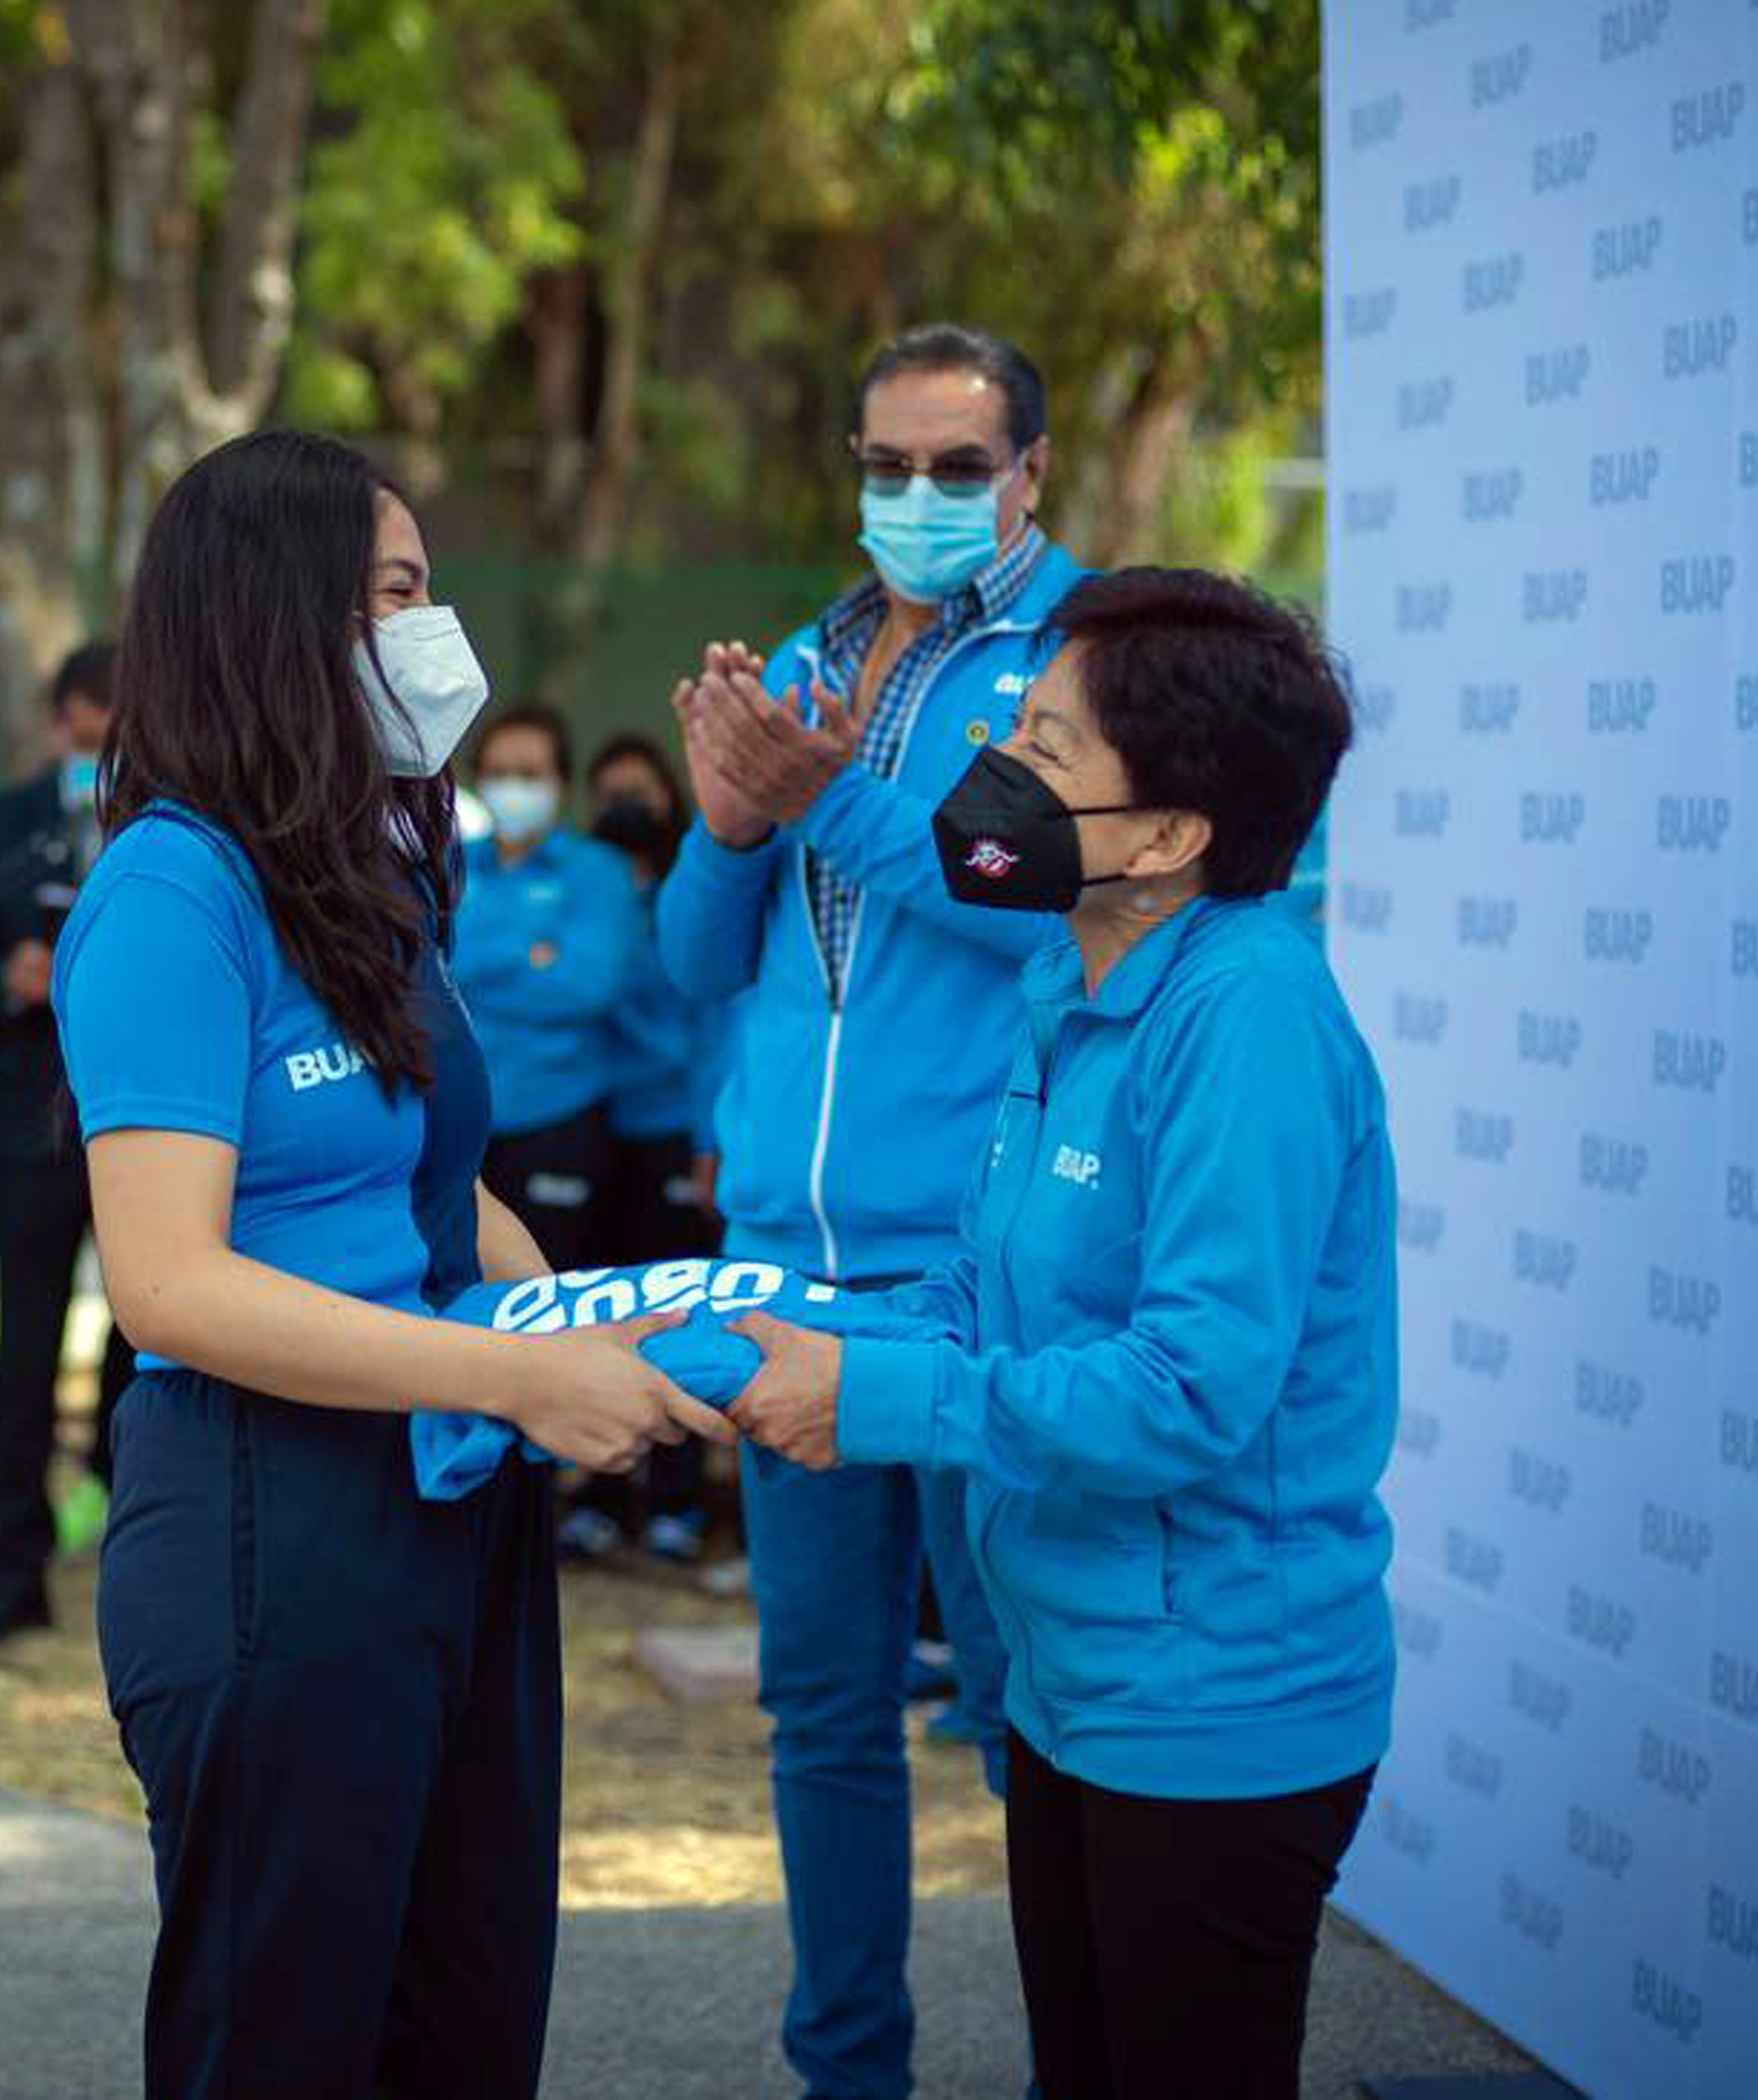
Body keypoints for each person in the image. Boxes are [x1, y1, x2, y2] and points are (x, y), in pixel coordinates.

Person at [55, 429, 730, 2092]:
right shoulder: (168, 889)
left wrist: (586, 1311)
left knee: (466, 2019)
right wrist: (513, 1366)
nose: (433, 632)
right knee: (282, 2041)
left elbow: (446, 1189)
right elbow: (168, 1285)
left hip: (455, 1505)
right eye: (397, 593)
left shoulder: (375, 871)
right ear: (277, 618)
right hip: (268, 1525)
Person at [726, 567, 1392, 2100]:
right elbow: (984, 1285)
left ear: (1168, 839)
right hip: (1069, 1679)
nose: (994, 776)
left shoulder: (1250, 1018)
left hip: (1217, 1699)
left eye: (1043, 748)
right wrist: (775, 1339)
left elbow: (1187, 1390)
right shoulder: (1066, 973)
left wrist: (881, 1402)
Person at [655, 321, 1074, 2098]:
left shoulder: (1082, 657)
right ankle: (847, 2070)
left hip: (974, 1281)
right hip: (781, 1274)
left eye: (953, 469)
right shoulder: (815, 652)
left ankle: (1109, 2056)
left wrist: (829, 794)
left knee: (1026, 1722)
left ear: (1029, 477)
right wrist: (727, 826)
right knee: (821, 1719)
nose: (912, 498)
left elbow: (1021, 892)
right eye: (884, 465)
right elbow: (693, 963)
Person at [0, 639, 138, 1646]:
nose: (100, 743)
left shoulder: (171, 827)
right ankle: (10, 1573)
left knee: (147, 1333)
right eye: (89, 720)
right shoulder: (5, 826)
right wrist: (4, 983)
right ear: (60, 720)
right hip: (30, 1120)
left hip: (147, 1129)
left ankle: (125, 1524)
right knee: (24, 1348)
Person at [572, 732, 722, 1563]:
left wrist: (709, 1134)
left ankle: (677, 1496)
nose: (625, 806)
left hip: (672, 1125)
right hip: (598, 1124)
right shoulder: (589, 892)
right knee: (600, 1307)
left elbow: (712, 1022)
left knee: (677, 1310)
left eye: (641, 790)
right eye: (610, 792)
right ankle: (597, 1488)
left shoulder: (691, 897)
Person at [453, 704, 637, 1268]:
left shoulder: (597, 870)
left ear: (560, 782)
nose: (514, 787)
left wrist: (474, 961)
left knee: (549, 1294)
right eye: (501, 772)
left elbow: (588, 988)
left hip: (558, 1118)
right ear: (478, 778)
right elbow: (422, 973)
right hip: (458, 1126)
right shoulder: (448, 864)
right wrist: (530, 955)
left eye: (530, 774)